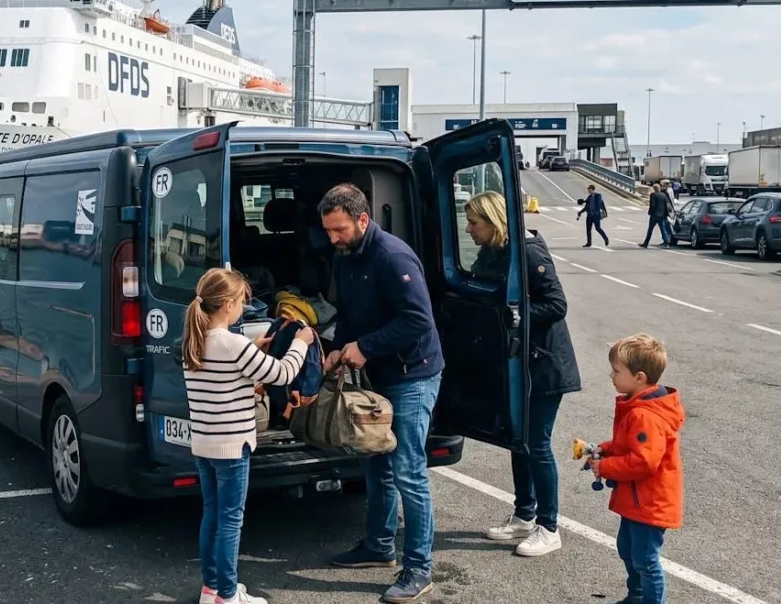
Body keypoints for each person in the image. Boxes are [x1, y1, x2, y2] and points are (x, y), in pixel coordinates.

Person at [316, 184, 443, 604]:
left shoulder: (392, 256)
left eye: (339, 229)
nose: (332, 238)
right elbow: (351, 313)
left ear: (362, 220)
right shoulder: (348, 257)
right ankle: (379, 546)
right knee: (375, 461)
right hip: (378, 374)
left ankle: (419, 568)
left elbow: (418, 321)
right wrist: (339, 348)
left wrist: (364, 347)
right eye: (328, 230)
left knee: (407, 469)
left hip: (413, 374)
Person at [182, 268, 317, 604]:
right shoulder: (233, 344)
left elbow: (228, 374)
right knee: (231, 520)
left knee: (211, 514)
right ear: (227, 304)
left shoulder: (194, 342)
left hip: (204, 443)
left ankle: (211, 588)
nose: (245, 307)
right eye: (242, 301)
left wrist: (255, 347)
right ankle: (228, 596)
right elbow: (282, 372)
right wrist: (300, 343)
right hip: (232, 446)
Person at [464, 192, 582, 557]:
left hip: (545, 365)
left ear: (494, 221)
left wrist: (513, 314)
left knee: (538, 445)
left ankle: (549, 526)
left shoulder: (529, 251)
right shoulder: (494, 250)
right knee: (520, 441)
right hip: (521, 363)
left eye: (474, 223)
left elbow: (556, 304)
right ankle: (524, 514)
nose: (468, 229)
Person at [592, 334, 684, 604]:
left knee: (645, 559)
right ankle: (637, 596)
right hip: (636, 500)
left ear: (640, 377)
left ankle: (648, 599)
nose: (612, 376)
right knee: (628, 549)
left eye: (618, 371)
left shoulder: (645, 414)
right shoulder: (638, 406)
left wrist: (604, 466)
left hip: (649, 503)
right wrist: (606, 449)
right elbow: (629, 445)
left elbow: (643, 461)